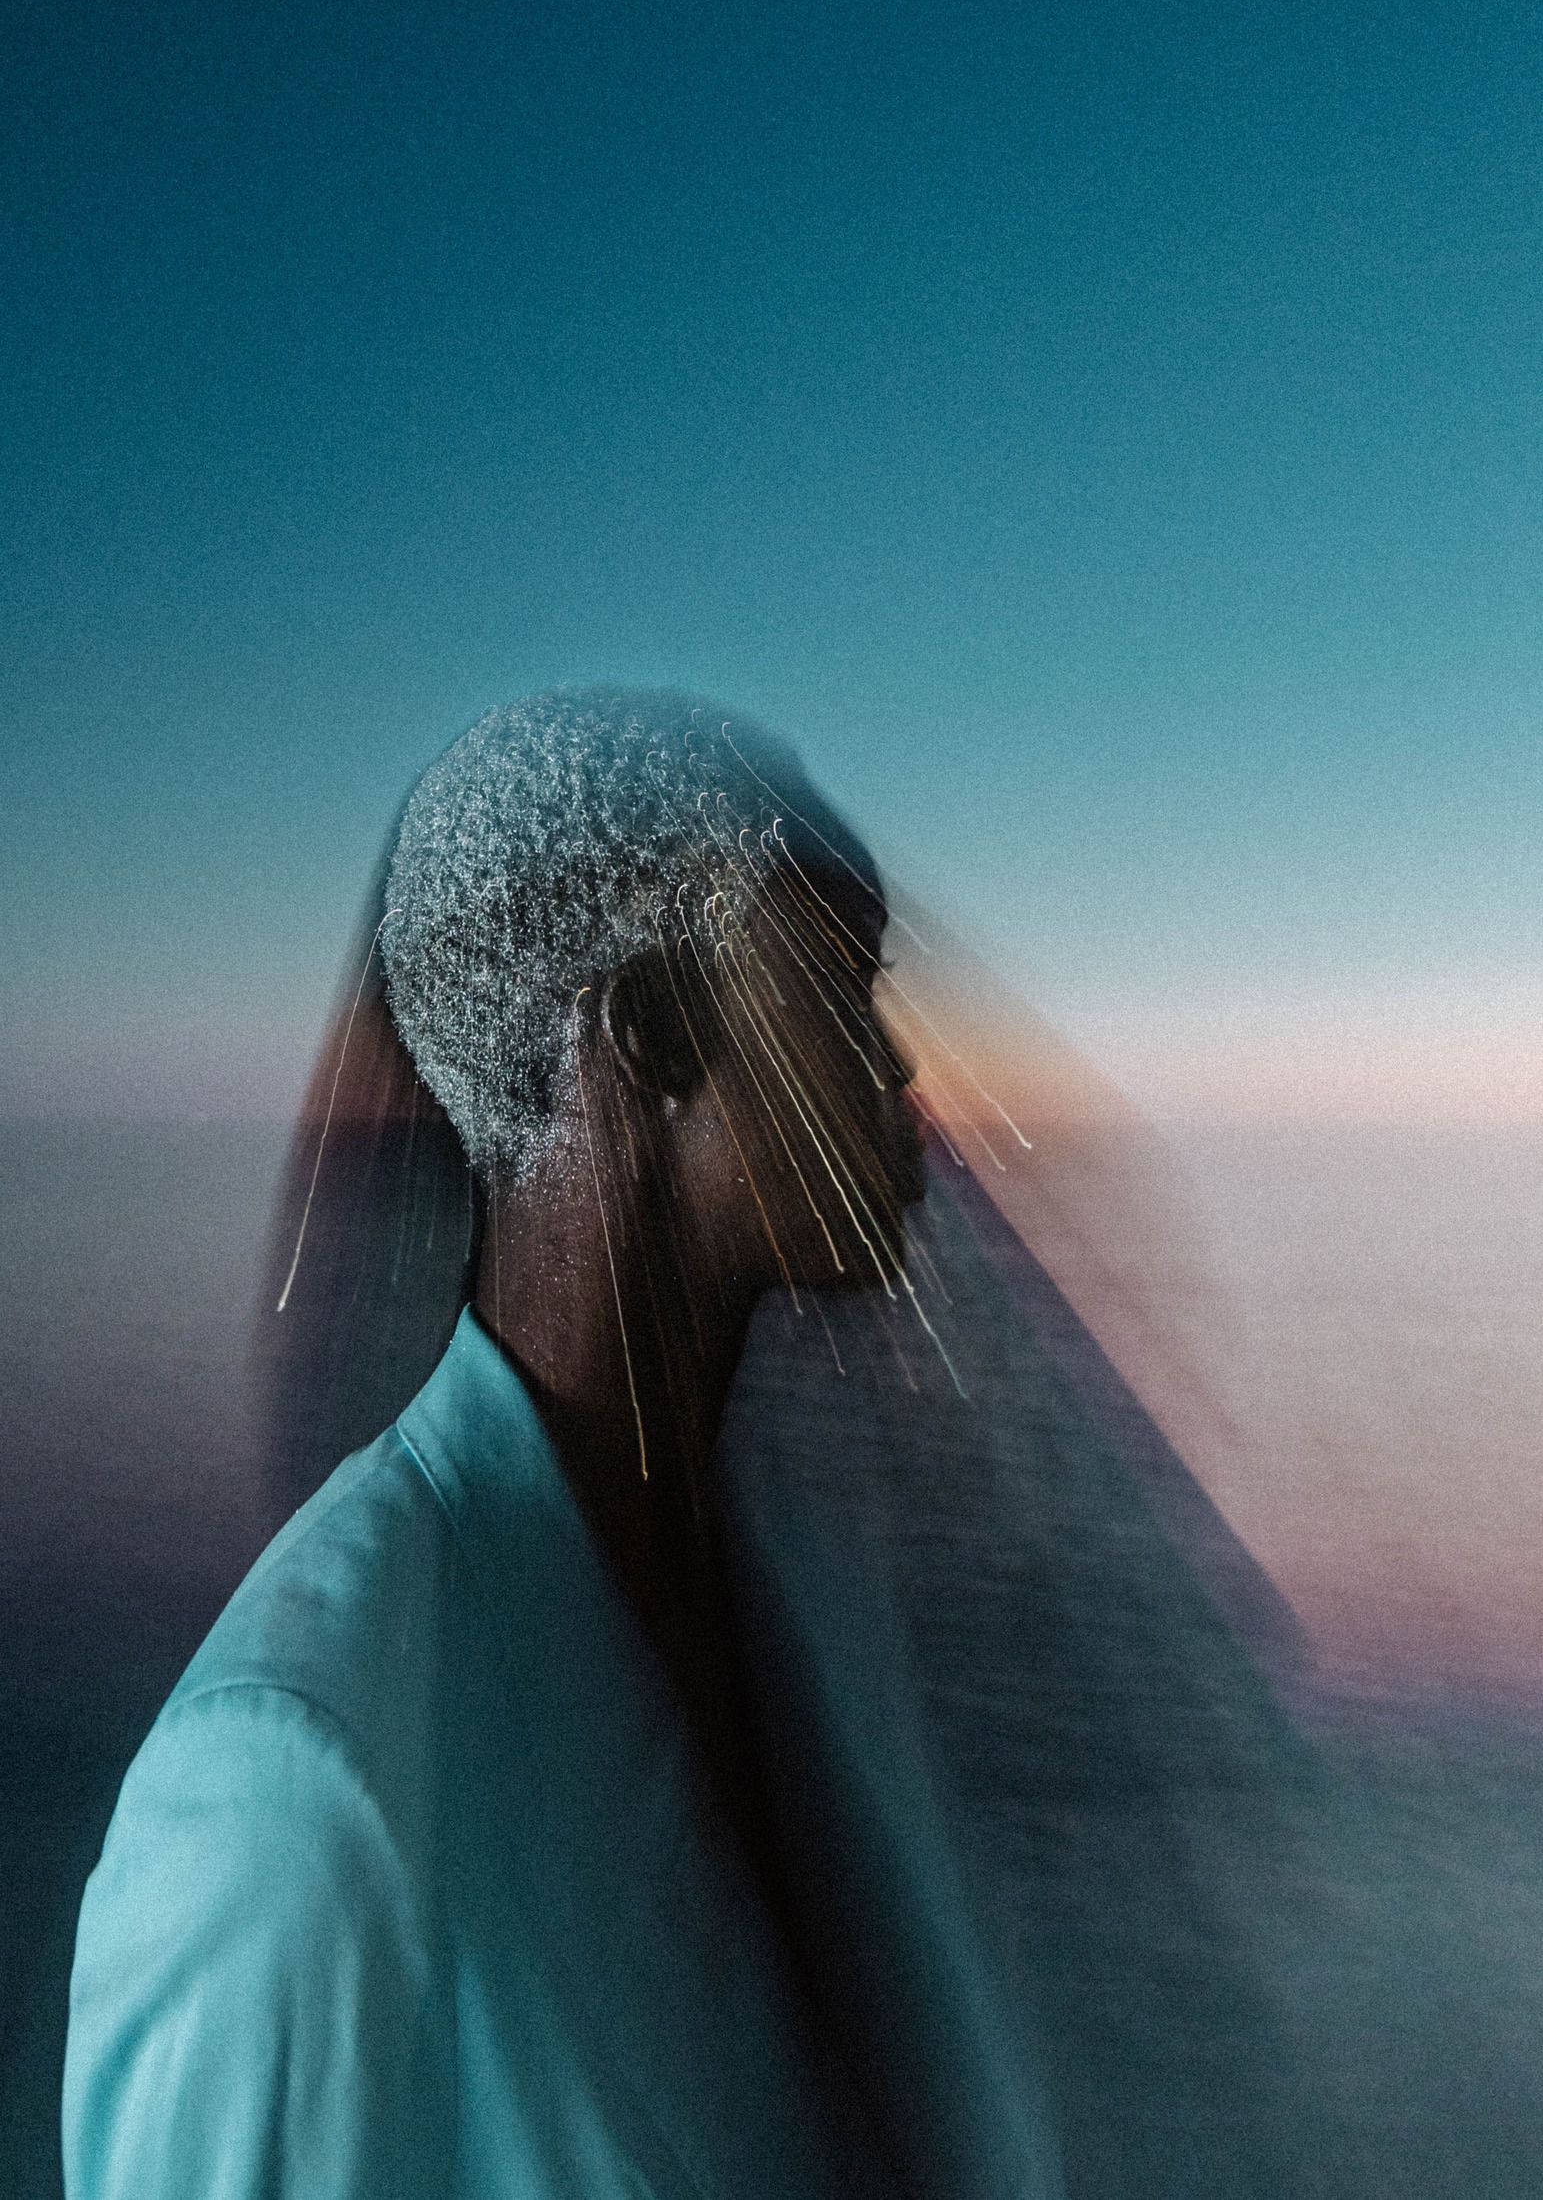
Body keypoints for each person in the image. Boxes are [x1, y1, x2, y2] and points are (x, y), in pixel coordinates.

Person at [62, 689, 1057, 2199]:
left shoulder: (798, 1609)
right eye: (841, 989)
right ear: (650, 1033)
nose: (898, 1073)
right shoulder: (297, 1793)